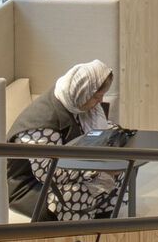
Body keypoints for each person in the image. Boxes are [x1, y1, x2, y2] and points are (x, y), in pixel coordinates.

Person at [7, 59, 121, 221]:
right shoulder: (43, 125)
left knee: (122, 177)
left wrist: (119, 137)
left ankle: (105, 221)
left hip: (70, 168)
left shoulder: (75, 102)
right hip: (30, 187)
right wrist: (97, 170)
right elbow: (50, 174)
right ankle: (86, 234)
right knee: (81, 193)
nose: (100, 102)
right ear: (83, 92)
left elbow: (98, 130)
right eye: (97, 97)